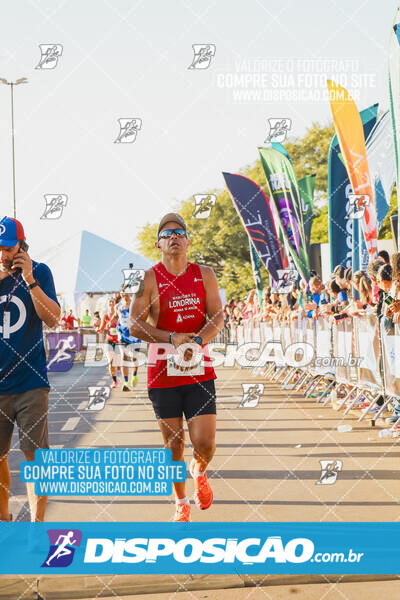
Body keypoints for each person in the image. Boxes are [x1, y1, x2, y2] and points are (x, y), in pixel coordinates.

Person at [130, 213, 224, 522]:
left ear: (187, 241)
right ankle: (181, 502)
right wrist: (170, 338)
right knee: (173, 445)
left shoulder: (205, 274)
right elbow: (134, 324)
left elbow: (218, 317)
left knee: (204, 442)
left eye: (180, 232)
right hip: (162, 370)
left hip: (197, 367)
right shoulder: (149, 278)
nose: (174, 236)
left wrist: (196, 341)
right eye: (168, 232)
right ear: (158, 243)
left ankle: (200, 470)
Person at [0, 216, 60, 522]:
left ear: (22, 247)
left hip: (31, 383)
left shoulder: (40, 272)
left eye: (9, 248)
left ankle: (37, 527)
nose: (3, 255)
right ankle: (5, 523)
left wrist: (30, 280)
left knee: (35, 459)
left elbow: (52, 318)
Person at [116, 292, 140, 390]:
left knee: (133, 358)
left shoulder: (135, 304)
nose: (124, 295)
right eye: (122, 293)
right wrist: (109, 323)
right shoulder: (118, 306)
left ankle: (134, 375)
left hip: (134, 335)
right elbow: (116, 316)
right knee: (124, 357)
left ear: (130, 293)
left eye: (126, 293)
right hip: (122, 335)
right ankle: (125, 383)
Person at [98, 297, 119, 388]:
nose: (111, 303)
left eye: (112, 302)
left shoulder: (118, 315)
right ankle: (115, 382)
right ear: (107, 304)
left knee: (117, 362)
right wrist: (100, 329)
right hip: (109, 340)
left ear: (115, 304)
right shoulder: (105, 316)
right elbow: (102, 328)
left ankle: (118, 365)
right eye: (109, 302)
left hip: (118, 341)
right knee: (111, 362)